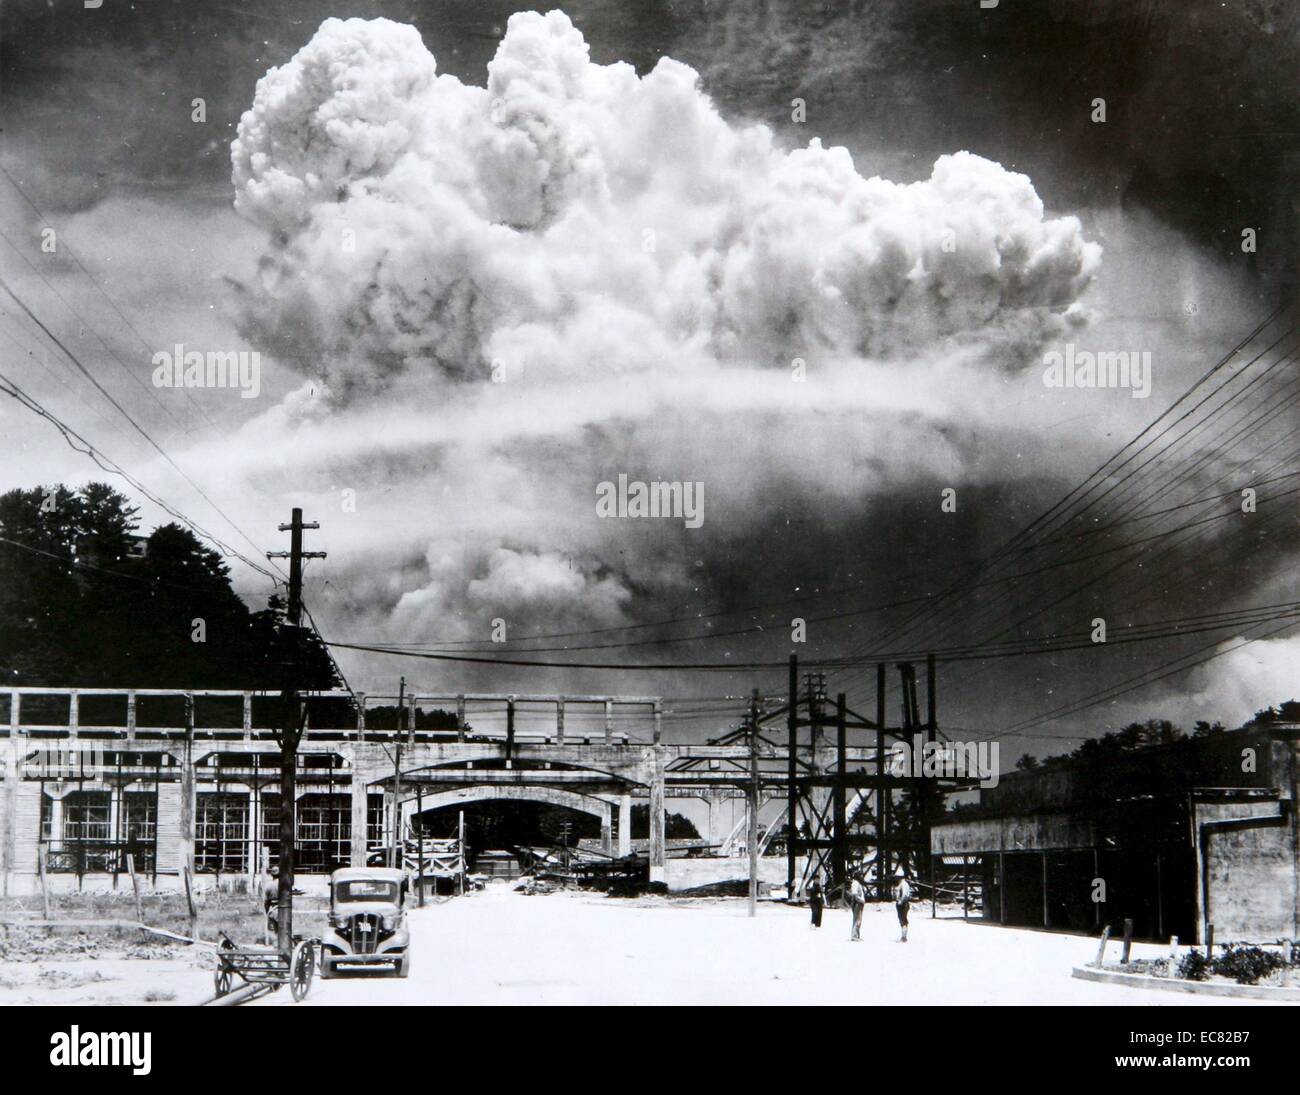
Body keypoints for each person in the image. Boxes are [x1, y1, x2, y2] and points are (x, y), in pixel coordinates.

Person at [893, 865, 912, 942]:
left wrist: (900, 901)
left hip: (903, 904)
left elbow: (904, 894)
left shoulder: (903, 884)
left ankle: (904, 937)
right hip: (902, 903)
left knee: (903, 920)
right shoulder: (901, 883)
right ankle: (903, 936)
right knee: (902, 920)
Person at [847, 871, 866, 941]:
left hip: (860, 903)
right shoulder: (855, 883)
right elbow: (855, 895)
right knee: (856, 920)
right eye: (860, 875)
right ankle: (854, 936)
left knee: (859, 920)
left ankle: (857, 935)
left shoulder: (858, 883)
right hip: (857, 903)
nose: (862, 877)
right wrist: (861, 900)